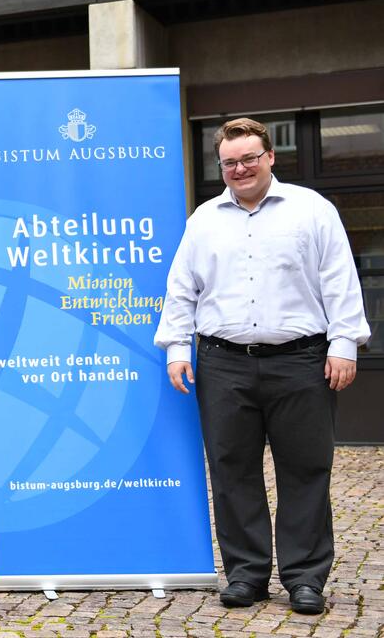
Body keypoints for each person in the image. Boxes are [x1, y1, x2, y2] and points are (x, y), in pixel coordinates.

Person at [154, 117, 370, 615]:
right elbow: (182, 287)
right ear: (221, 165)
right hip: (223, 363)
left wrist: (345, 342)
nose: (240, 168)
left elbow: (339, 276)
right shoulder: (203, 219)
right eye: (230, 161)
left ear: (271, 156)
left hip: (301, 361)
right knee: (232, 471)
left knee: (306, 470)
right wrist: (177, 349)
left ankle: (304, 578)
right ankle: (246, 575)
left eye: (250, 157)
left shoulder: (312, 210)